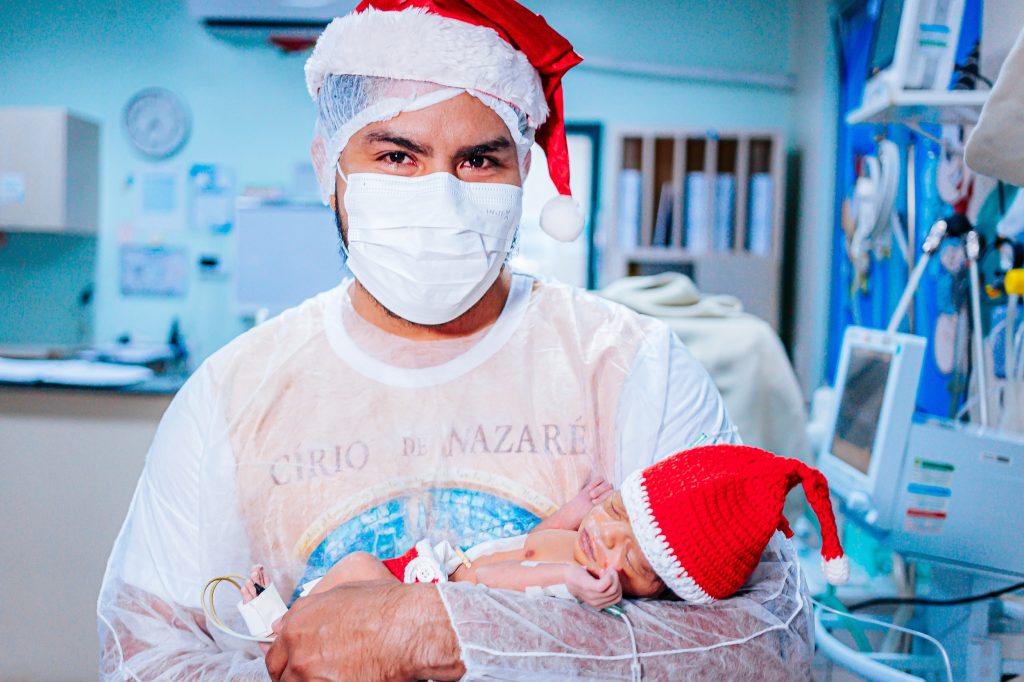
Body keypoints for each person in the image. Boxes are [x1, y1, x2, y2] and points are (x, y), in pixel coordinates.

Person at [97, 1, 812, 680]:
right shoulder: (234, 395)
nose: (441, 195)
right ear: (330, 166)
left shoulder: (631, 368)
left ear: (523, 172)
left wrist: (434, 628)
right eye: (399, 156)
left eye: (478, 161)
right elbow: (144, 657)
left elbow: (767, 648)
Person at [237, 445, 847, 631]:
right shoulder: (580, 540)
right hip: (432, 565)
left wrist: (567, 580)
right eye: (612, 510)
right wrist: (573, 509)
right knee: (348, 576)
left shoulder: (573, 588)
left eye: (628, 555)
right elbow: (534, 543)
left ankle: (278, 629)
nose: (603, 535)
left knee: (358, 578)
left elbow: (503, 579)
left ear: (657, 593)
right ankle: (290, 618)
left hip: (438, 589)